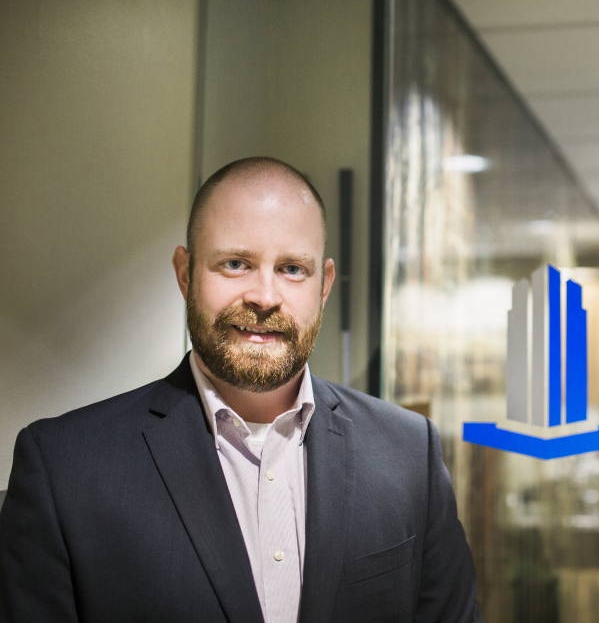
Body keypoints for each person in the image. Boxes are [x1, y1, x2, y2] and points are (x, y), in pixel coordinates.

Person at [0, 157, 482, 623]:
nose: (265, 297)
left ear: (324, 285)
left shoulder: (408, 454)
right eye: (235, 263)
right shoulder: (64, 469)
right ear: (185, 274)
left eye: (292, 269)